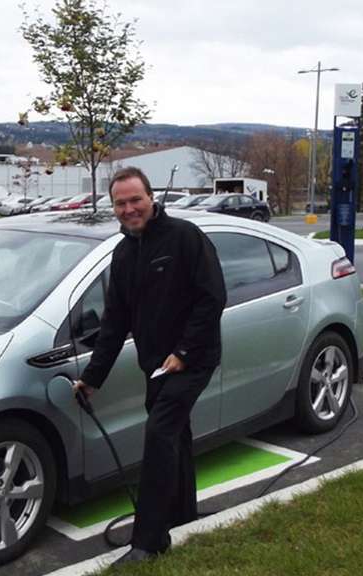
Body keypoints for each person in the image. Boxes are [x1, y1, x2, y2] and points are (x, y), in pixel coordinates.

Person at [72, 167, 226, 565]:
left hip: (193, 359)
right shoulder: (123, 255)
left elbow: (213, 297)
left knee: (159, 434)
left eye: (135, 199)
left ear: (151, 197)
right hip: (155, 365)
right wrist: (92, 378)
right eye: (120, 203)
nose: (128, 208)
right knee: (176, 437)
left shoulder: (185, 238)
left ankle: (148, 541)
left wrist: (186, 352)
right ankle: (182, 515)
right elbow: (114, 321)